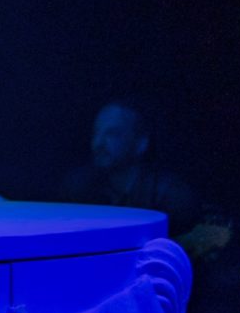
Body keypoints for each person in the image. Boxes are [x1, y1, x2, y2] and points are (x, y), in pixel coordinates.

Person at [53, 102, 205, 240]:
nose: (98, 143)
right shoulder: (77, 186)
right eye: (96, 133)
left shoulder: (171, 196)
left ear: (141, 144)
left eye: (112, 134)